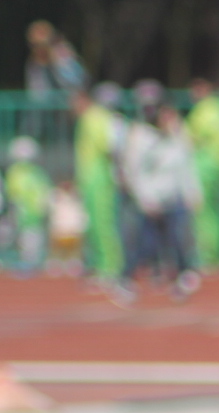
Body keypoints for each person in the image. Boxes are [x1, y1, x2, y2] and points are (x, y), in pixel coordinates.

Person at [121, 96, 202, 300]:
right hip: (151, 202)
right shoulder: (142, 137)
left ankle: (181, 279)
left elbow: (185, 167)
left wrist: (192, 192)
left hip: (172, 199)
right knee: (145, 243)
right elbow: (135, 171)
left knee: (177, 241)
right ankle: (126, 279)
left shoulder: (177, 136)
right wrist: (145, 198)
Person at [70, 83, 124, 282]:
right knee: (94, 224)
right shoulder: (90, 118)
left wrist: (116, 174)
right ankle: (100, 265)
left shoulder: (95, 117)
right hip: (91, 179)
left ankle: (110, 267)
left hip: (100, 179)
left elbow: (107, 147)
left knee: (103, 223)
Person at [186, 80, 219, 270]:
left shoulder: (203, 111)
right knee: (216, 213)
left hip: (205, 168)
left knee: (203, 213)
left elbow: (191, 139)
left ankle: (207, 257)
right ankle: (217, 254)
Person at [5, 136, 52, 274]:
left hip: (32, 212)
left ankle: (30, 262)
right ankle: (23, 260)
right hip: (20, 211)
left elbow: (43, 192)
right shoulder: (15, 172)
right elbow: (12, 193)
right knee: (20, 237)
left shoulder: (36, 173)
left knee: (31, 238)